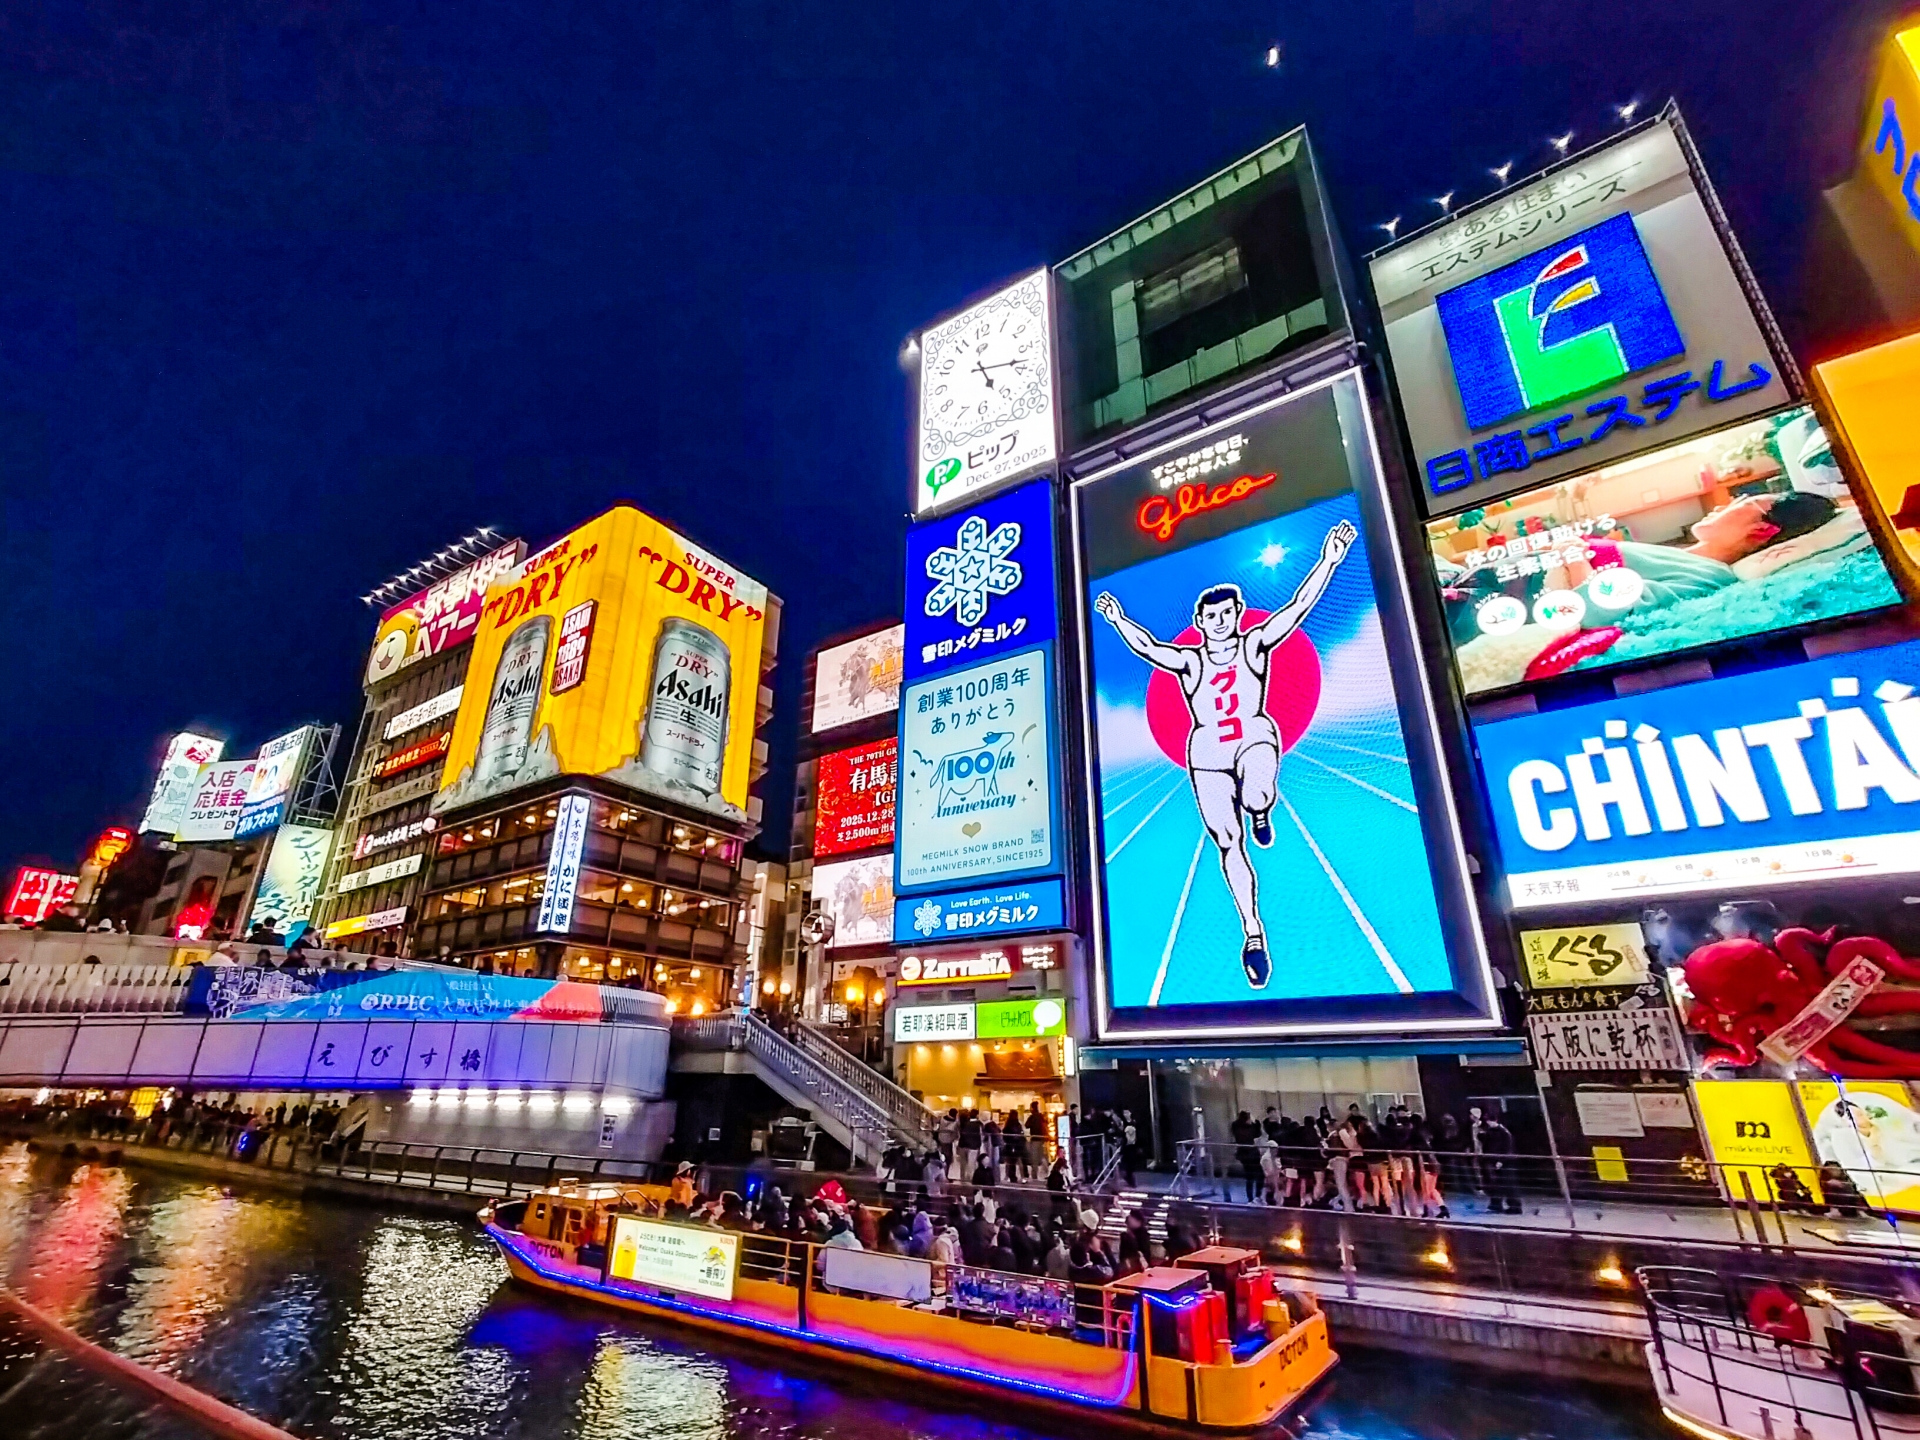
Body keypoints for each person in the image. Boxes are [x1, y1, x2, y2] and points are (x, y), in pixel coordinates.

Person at [1093, 520, 1357, 987]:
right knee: (1227, 842)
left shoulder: (1254, 645)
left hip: (1253, 734)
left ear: (1237, 614)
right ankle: (1253, 933)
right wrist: (1116, 621)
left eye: (1229, 613)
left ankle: (1260, 809)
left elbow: (1297, 608)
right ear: (1200, 623)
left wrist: (1329, 560)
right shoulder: (1191, 661)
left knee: (1257, 791)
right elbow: (1150, 648)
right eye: (1213, 617)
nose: (1222, 622)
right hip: (1208, 752)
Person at [1478, 1111, 1521, 1215]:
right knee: (1495, 1184)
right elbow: (1486, 1142)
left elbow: (1508, 1148)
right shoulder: (1490, 1131)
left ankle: (1514, 1206)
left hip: (1505, 1162)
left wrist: (1501, 1160)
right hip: (1493, 1160)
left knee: (1509, 1184)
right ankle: (1496, 1204)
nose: (1489, 1123)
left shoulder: (1504, 1132)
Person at [1230, 1110, 1263, 1203]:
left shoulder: (1235, 1126)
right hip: (1252, 1154)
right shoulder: (1250, 1128)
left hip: (1242, 1154)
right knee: (1260, 1175)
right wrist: (1256, 1122)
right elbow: (1257, 1134)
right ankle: (1257, 1196)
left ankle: (1250, 1198)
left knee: (1249, 1177)